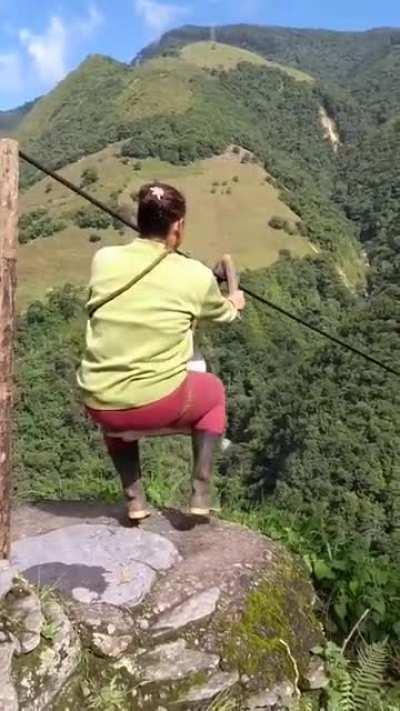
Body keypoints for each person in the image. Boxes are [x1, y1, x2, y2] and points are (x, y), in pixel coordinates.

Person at [77, 182, 245, 520]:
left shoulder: (104, 259)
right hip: (157, 403)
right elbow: (226, 314)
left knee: (115, 390)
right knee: (213, 393)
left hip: (99, 403)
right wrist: (235, 299)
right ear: (178, 225)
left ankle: (134, 500)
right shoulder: (195, 276)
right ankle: (200, 491)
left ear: (140, 220)